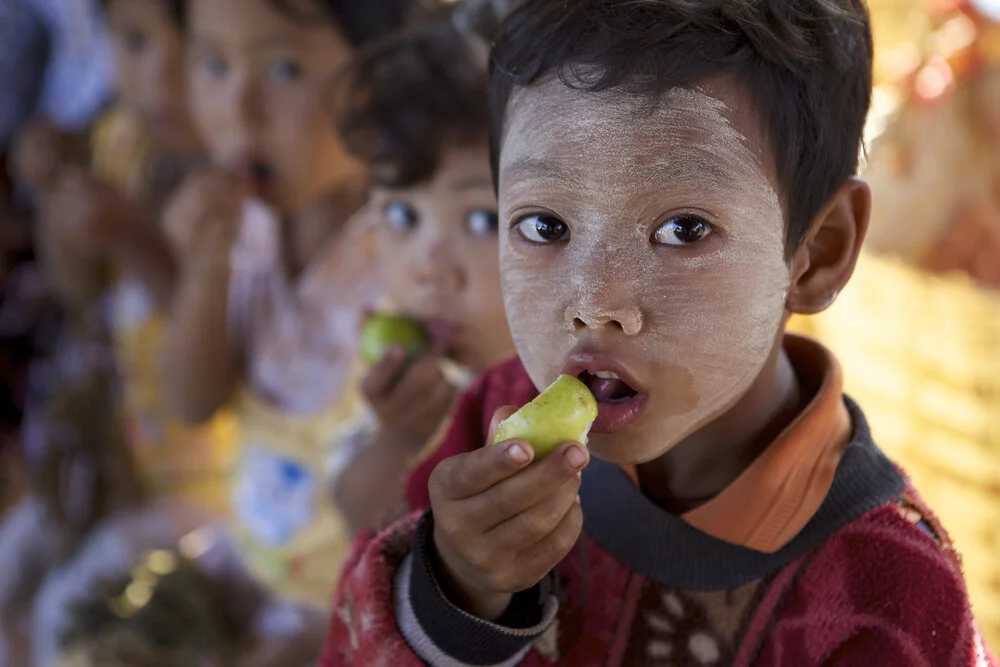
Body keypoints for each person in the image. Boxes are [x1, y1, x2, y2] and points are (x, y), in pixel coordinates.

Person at [322, 1, 998, 665]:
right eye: (545, 225)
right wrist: (455, 597)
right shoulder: (494, 424)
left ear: (817, 252)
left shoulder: (893, 598)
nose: (594, 303)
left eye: (683, 230)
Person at [161, 0, 417, 659]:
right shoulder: (249, 228)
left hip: (361, 603)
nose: (237, 110)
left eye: (282, 68)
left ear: (377, 79)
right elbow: (193, 401)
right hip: (253, 568)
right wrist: (204, 271)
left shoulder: (409, 254)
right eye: (213, 63)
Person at [11, 0, 236, 512]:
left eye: (196, 54)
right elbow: (77, 287)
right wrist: (56, 197)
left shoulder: (237, 187)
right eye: (134, 42)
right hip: (114, 453)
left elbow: (217, 370)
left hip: (199, 490)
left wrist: (134, 240)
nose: (161, 78)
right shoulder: (123, 143)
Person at [328, 4, 516, 537]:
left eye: (483, 220)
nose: (429, 269)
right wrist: (399, 437)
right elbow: (358, 527)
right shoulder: (418, 389)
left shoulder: (592, 382)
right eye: (400, 215)